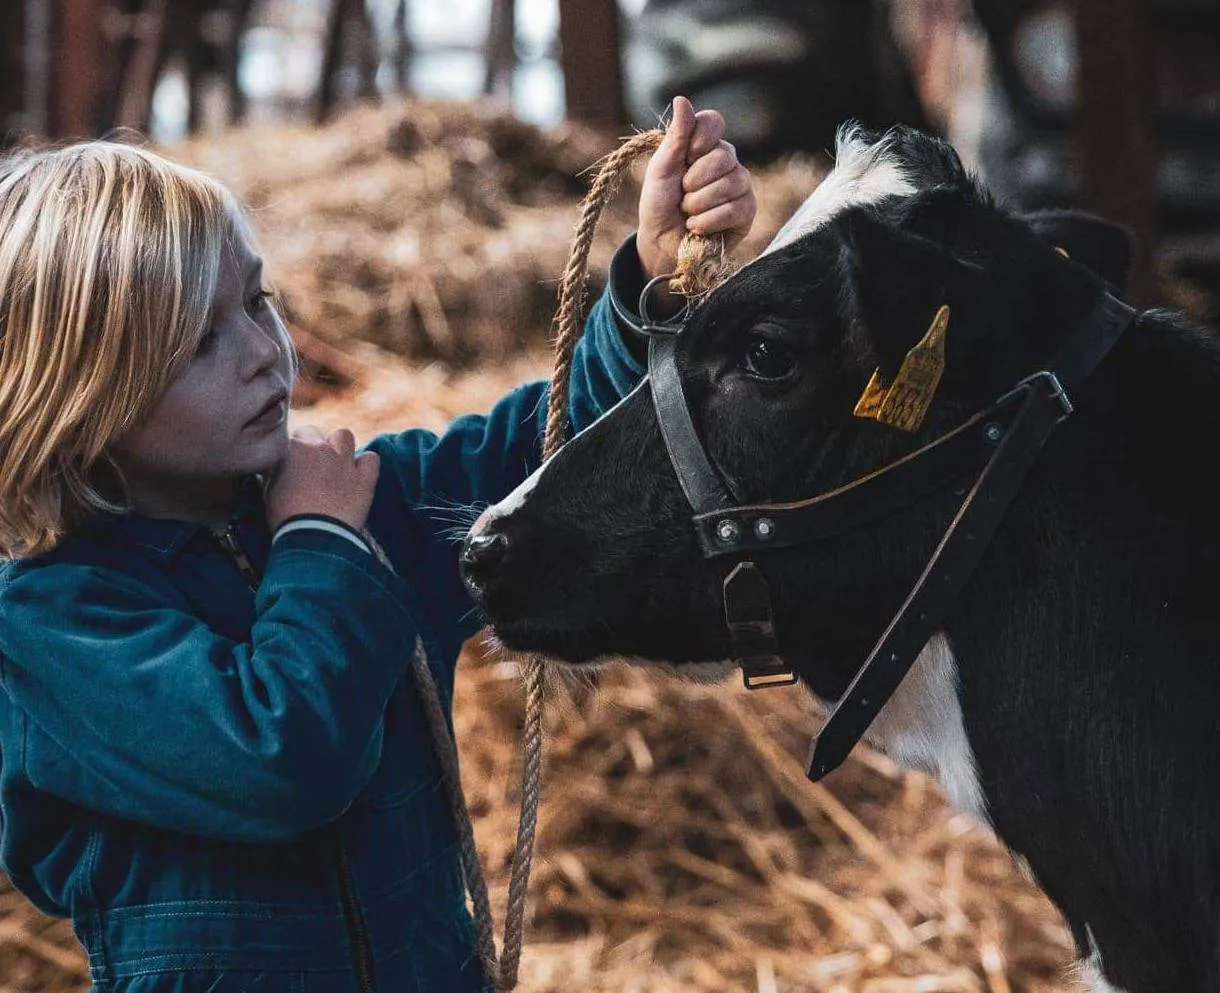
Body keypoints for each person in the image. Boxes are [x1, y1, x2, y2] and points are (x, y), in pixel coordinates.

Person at [0, 96, 756, 992]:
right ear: (82, 396)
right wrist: (319, 539)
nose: (263, 351)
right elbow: (281, 759)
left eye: (255, 300)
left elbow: (546, 449)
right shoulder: (57, 624)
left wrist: (647, 284)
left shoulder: (369, 503)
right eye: (201, 341)